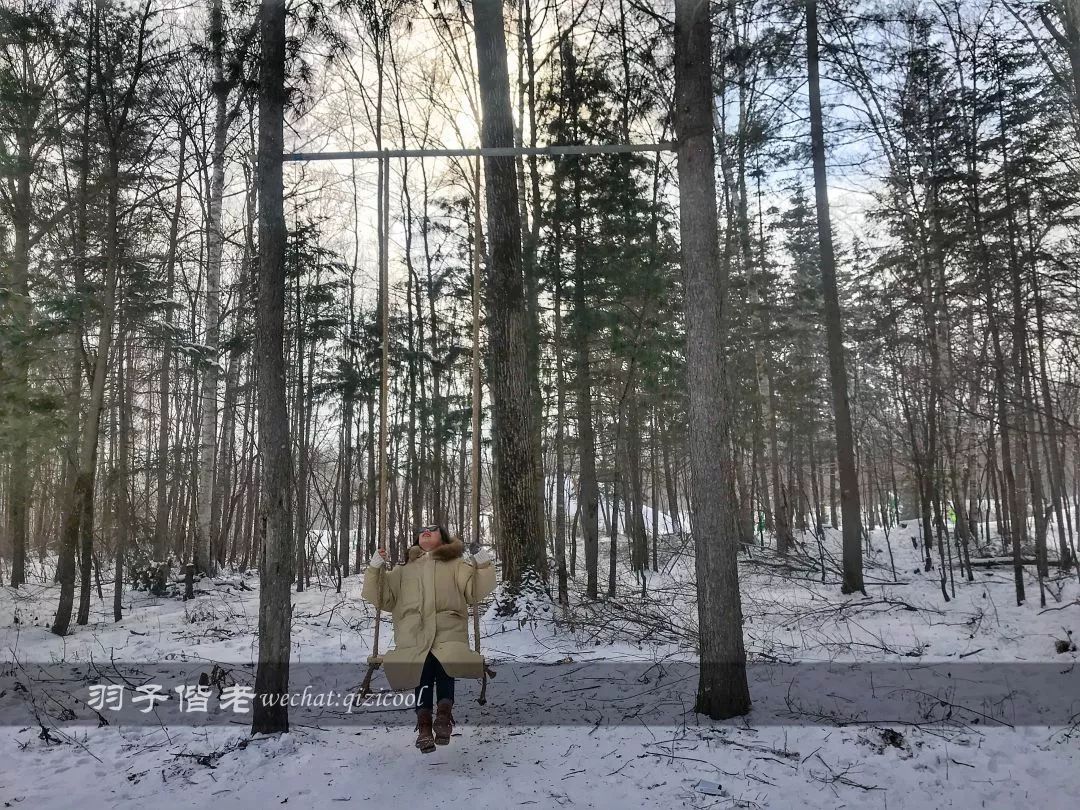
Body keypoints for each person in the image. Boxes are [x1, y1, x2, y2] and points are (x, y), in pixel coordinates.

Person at [362, 524, 496, 753]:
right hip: (413, 633)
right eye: (422, 529)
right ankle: (424, 724)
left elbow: (475, 591)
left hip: (448, 631)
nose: (426, 531)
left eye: (433, 529)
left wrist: (481, 562)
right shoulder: (403, 571)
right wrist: (375, 568)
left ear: (443, 539)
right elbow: (383, 598)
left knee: (446, 663)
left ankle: (443, 716)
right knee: (421, 668)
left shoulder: (457, 566)